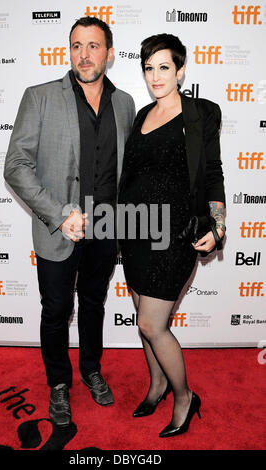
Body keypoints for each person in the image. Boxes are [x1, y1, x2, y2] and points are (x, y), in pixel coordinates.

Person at [4, 16, 135, 427]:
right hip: (58, 229)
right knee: (56, 309)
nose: (85, 54)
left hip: (106, 229)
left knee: (94, 304)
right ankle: (59, 384)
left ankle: (91, 370)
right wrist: (61, 215)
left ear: (109, 54)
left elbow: (127, 171)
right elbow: (16, 166)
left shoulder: (125, 103)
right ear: (69, 51)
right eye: (77, 45)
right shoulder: (40, 96)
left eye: (94, 46)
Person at [118, 33, 226, 438]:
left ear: (180, 70)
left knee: (151, 324)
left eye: (164, 67)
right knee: (142, 321)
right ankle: (158, 384)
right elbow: (133, 176)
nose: (155, 76)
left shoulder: (200, 114)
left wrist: (217, 226)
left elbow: (212, 172)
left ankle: (184, 396)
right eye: (149, 68)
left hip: (174, 235)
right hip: (134, 232)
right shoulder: (141, 115)